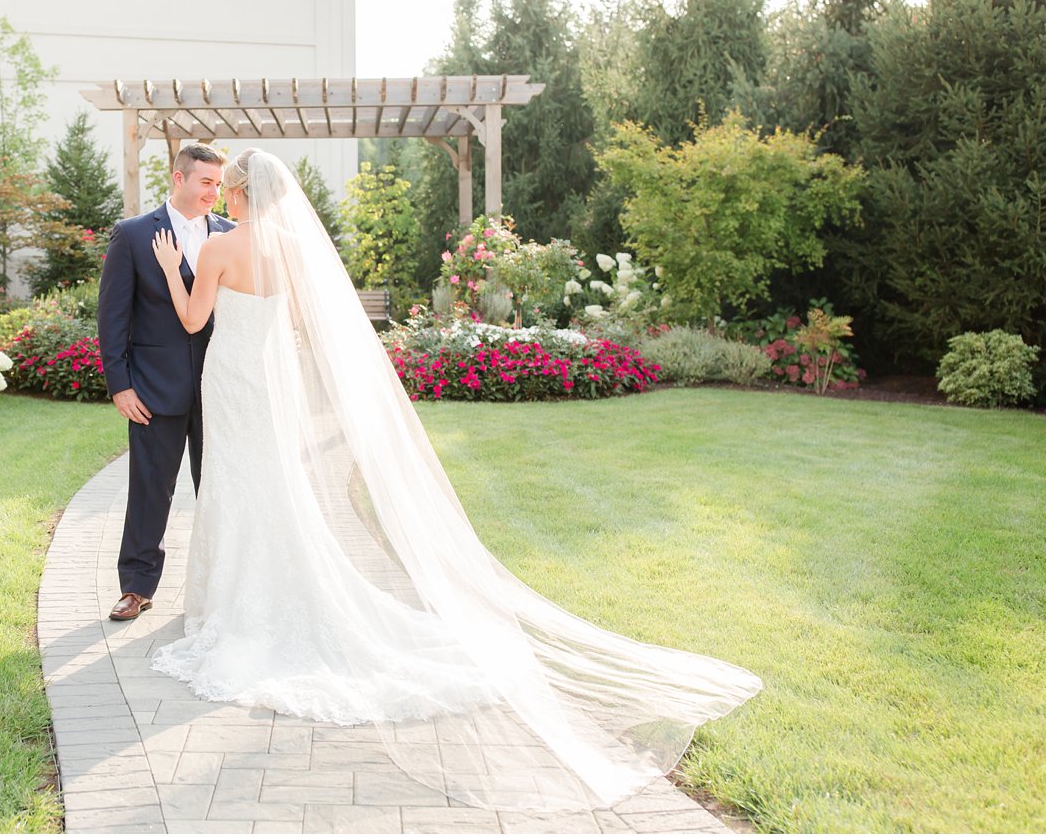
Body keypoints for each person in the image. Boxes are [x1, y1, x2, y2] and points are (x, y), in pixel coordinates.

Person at [142, 146, 763, 814]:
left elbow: (193, 320)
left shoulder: (218, 249)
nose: (223, 200)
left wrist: (171, 272)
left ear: (237, 194)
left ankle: (240, 603)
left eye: (225, 192)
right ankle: (272, 594)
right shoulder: (294, 246)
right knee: (277, 491)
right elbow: (298, 323)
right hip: (269, 381)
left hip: (233, 379)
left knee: (240, 489)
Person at [96, 143, 235, 622]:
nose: (214, 193)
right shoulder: (134, 235)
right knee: (150, 489)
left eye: (219, 184)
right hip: (154, 386)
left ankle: (224, 583)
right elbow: (112, 316)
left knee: (218, 487)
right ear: (179, 178)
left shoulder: (231, 234)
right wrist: (120, 385)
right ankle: (136, 587)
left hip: (221, 386)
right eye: (206, 183)